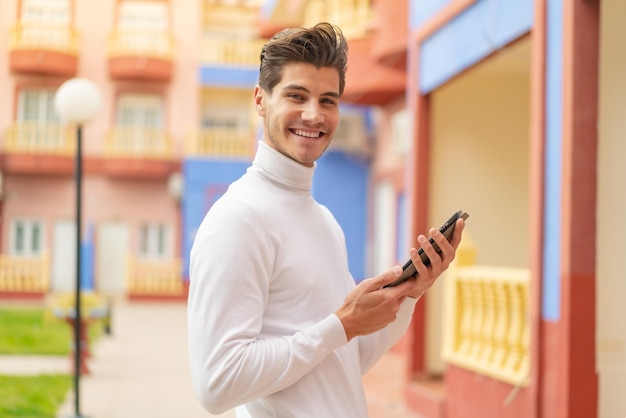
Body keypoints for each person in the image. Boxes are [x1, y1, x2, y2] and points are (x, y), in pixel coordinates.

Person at [187, 22, 465, 418]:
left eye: (328, 100)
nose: (313, 115)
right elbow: (216, 384)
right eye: (296, 96)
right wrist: (342, 324)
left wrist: (410, 292)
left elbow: (346, 360)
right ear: (261, 100)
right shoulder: (239, 219)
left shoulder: (324, 220)